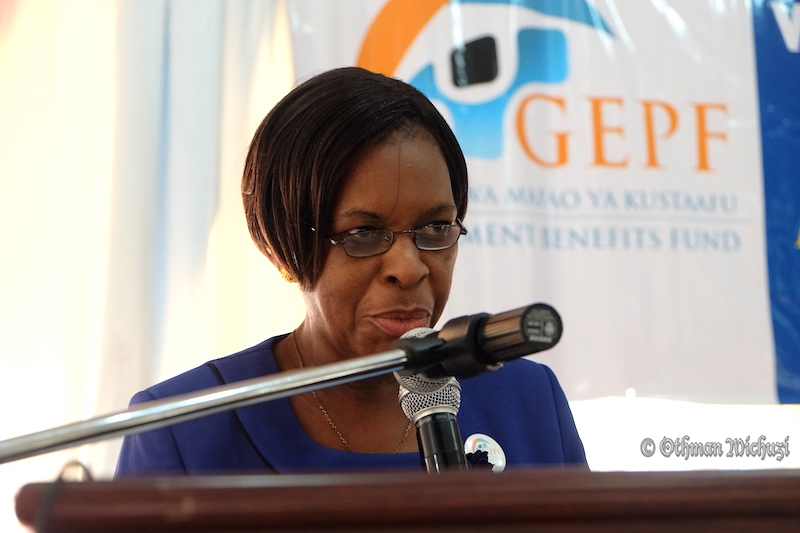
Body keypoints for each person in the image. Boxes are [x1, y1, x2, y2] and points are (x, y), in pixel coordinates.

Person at [115, 67, 586, 475]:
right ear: (283, 245)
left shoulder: (530, 402)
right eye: (363, 233)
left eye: (435, 227)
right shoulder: (183, 429)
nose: (408, 268)